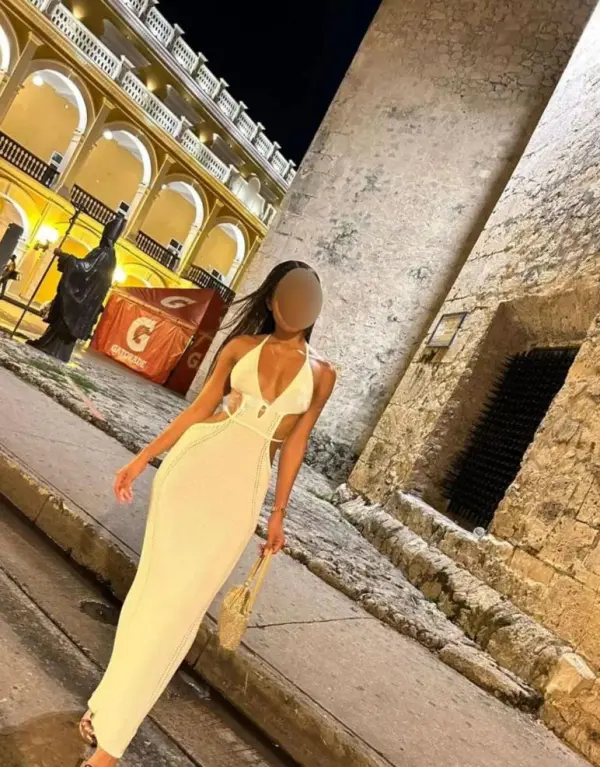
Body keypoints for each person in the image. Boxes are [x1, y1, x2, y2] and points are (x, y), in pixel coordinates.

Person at [78, 260, 336, 767]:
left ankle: (109, 719)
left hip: (242, 490)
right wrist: (141, 459)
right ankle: (108, 733)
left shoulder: (323, 374)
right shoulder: (240, 348)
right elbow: (199, 410)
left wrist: (279, 514)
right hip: (193, 467)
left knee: (180, 610)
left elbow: (296, 444)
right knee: (150, 596)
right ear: (273, 301)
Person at [27, 215, 125, 362]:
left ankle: (52, 349)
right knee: (62, 320)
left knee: (65, 319)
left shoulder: (104, 253)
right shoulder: (110, 256)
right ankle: (48, 344)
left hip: (82, 298)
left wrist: (66, 257)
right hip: (84, 298)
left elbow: (86, 269)